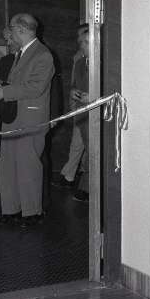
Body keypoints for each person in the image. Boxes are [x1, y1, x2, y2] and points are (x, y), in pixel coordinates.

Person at [0, 13, 55, 228]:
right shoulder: (21, 53)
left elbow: (35, 87)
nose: (9, 33)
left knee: (28, 166)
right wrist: (3, 85)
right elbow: (18, 82)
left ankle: (32, 212)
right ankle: (11, 209)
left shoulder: (43, 54)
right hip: (12, 117)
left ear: (21, 29)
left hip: (31, 119)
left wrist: (5, 92)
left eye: (11, 28)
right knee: (8, 166)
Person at [52, 23, 88, 188]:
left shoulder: (92, 58)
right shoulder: (79, 58)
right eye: (79, 38)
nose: (79, 40)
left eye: (83, 37)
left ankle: (71, 176)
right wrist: (73, 97)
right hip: (79, 106)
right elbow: (75, 82)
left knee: (79, 143)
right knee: (78, 143)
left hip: (88, 109)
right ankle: (71, 176)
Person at [70, 25, 90, 202]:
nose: (82, 45)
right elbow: (74, 85)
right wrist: (73, 92)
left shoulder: (104, 63)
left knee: (93, 151)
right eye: (81, 42)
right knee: (87, 148)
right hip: (83, 115)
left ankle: (88, 187)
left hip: (98, 115)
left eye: (85, 42)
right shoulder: (79, 64)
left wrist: (94, 96)